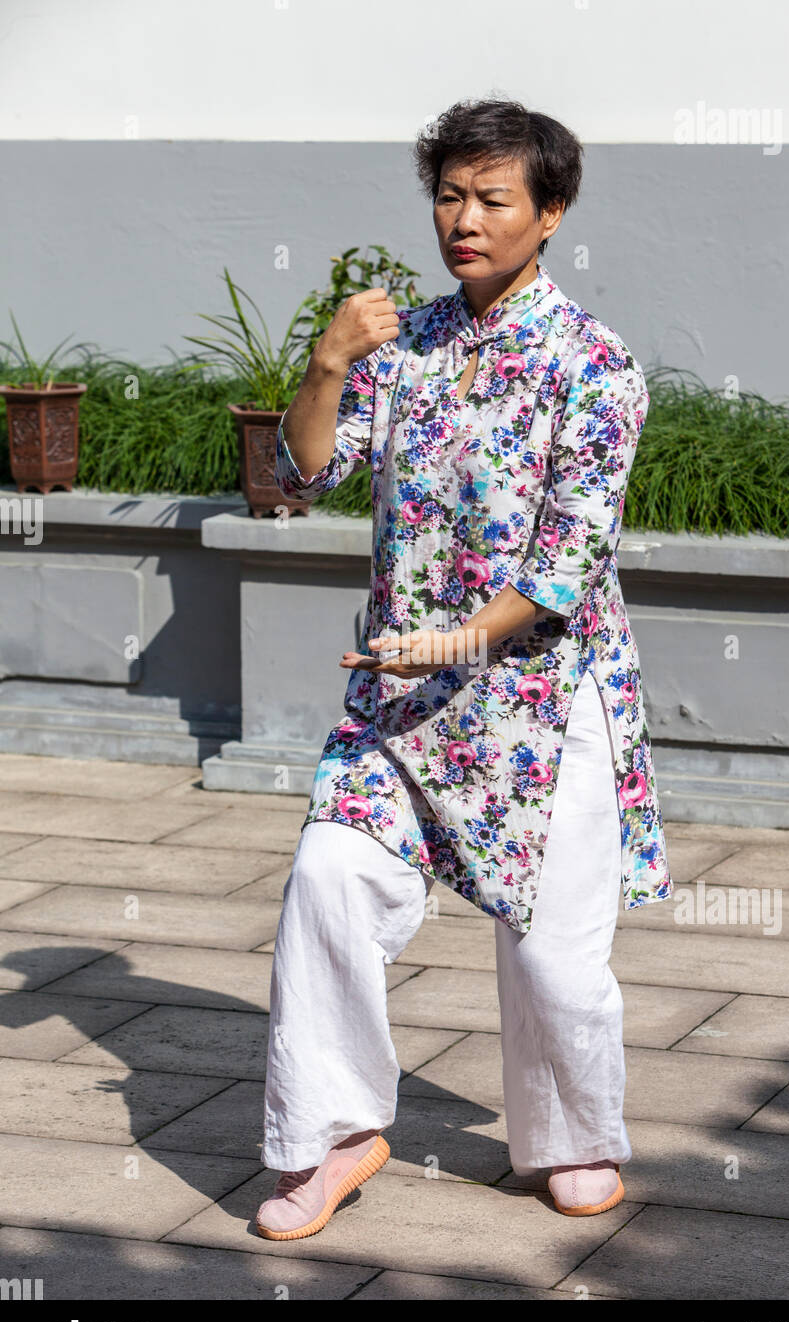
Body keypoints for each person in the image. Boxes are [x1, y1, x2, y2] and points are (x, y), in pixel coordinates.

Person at [256, 97, 672, 1242]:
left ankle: (571, 1135)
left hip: (542, 702)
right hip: (399, 704)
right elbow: (300, 478)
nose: (464, 220)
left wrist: (438, 643)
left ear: (549, 213)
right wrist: (328, 361)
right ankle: (331, 1131)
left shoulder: (594, 367)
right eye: (449, 195)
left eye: (493, 199)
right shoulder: (405, 347)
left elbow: (559, 573)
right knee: (328, 883)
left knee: (556, 967)